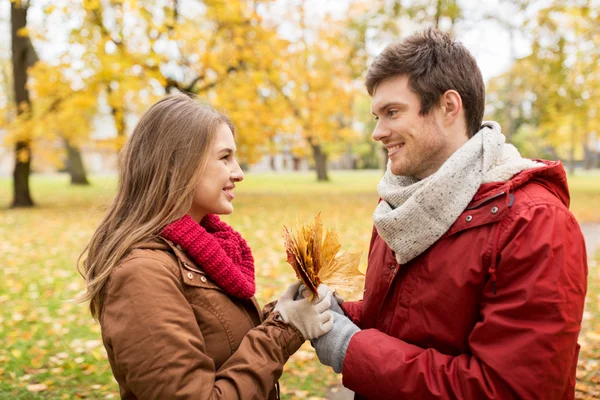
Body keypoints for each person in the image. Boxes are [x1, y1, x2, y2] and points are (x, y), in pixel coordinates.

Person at [309, 28, 588, 399]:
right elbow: (408, 322)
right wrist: (342, 315)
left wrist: (352, 348)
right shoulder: (399, 202)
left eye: (392, 112)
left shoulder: (535, 223)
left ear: (448, 106)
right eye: (377, 116)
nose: (378, 132)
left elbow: (510, 389)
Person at [78, 94, 334, 399]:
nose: (238, 172)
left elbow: (222, 343)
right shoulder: (141, 274)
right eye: (224, 157)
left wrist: (281, 313)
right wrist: (284, 329)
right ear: (175, 165)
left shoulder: (200, 252)